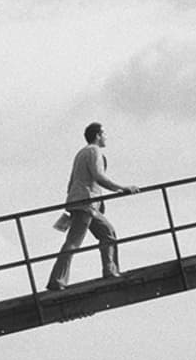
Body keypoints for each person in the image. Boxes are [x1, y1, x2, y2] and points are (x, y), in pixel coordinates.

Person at [46, 122, 139, 291]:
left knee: (107, 233)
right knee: (74, 242)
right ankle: (58, 280)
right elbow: (98, 176)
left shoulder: (81, 153)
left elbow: (72, 181)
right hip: (86, 202)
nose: (106, 137)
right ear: (97, 135)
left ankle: (110, 271)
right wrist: (122, 188)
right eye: (104, 134)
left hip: (81, 202)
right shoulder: (94, 151)